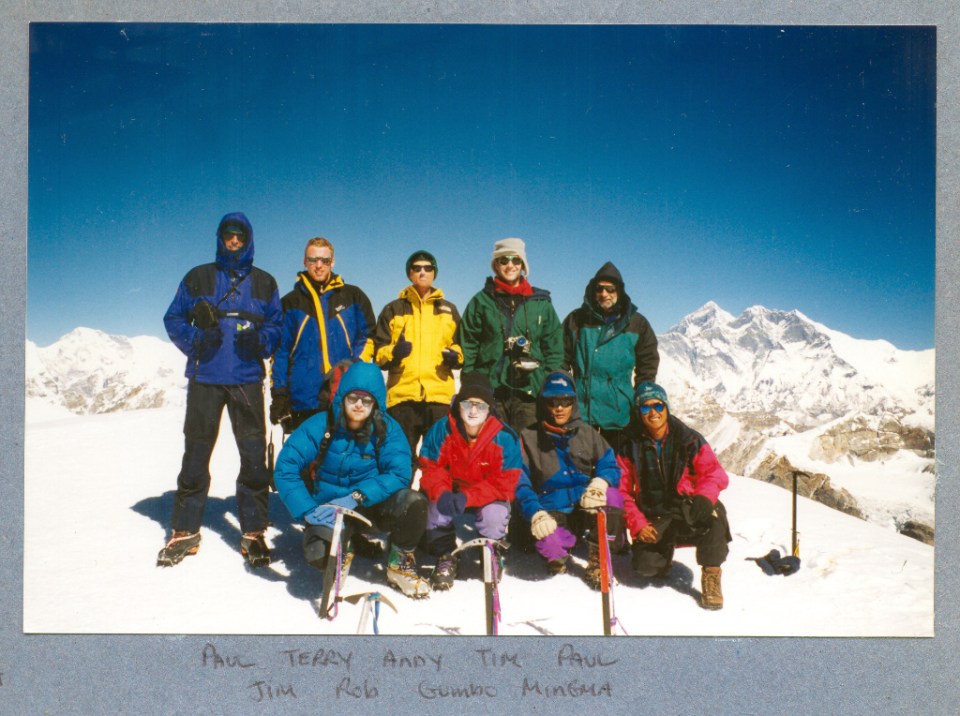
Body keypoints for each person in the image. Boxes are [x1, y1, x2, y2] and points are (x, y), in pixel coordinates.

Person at [158, 212, 282, 568]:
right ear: (219, 238)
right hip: (206, 377)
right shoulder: (198, 277)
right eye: (228, 234)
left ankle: (254, 531)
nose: (233, 241)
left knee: (253, 456)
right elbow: (173, 318)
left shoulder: (265, 282)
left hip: (246, 377)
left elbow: (276, 325)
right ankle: (185, 531)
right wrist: (199, 338)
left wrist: (260, 340)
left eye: (239, 235)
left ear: (248, 238)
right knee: (196, 454)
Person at [273, 361, 431, 598]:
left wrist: (359, 495)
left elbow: (399, 473)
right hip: (331, 510)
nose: (359, 405)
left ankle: (399, 563)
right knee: (318, 555)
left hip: (370, 505)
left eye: (366, 400)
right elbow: (285, 467)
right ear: (342, 399)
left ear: (375, 403)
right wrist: (307, 510)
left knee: (413, 502)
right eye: (353, 398)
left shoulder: (387, 429)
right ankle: (343, 547)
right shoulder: (320, 424)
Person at [618, 382, 731, 610]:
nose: (653, 413)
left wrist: (704, 497)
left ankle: (711, 573)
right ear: (638, 412)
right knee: (645, 567)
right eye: (645, 408)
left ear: (667, 407)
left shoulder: (688, 439)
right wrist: (638, 524)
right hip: (654, 515)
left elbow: (714, 473)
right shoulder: (628, 447)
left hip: (686, 508)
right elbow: (620, 491)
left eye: (658, 406)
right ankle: (663, 552)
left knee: (715, 515)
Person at [515, 371, 625, 588]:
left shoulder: (587, 433)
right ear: (543, 403)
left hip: (585, 505)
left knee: (613, 497)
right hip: (551, 510)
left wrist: (600, 483)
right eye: (552, 401)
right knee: (552, 547)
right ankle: (560, 552)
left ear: (573, 402)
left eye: (565, 401)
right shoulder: (528, 437)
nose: (559, 407)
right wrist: (535, 514)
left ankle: (597, 557)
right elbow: (520, 483)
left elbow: (610, 465)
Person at [417, 372, 523, 590]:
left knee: (495, 517)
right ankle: (445, 555)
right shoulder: (442, 428)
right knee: (434, 508)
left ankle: (490, 552)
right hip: (452, 491)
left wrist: (469, 496)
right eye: (468, 404)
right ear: (459, 405)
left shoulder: (504, 437)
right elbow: (431, 465)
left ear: (489, 409)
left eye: (481, 406)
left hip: (486, 496)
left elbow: (505, 482)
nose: (473, 411)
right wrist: (443, 491)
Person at [269, 237, 376, 432]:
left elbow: (370, 337)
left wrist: (353, 365)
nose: (319, 266)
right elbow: (280, 352)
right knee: (305, 461)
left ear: (332, 262)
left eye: (324, 261)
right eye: (312, 260)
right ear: (304, 262)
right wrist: (279, 394)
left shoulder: (353, 296)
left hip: (346, 397)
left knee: (342, 461)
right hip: (303, 401)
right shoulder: (289, 303)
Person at [459, 237, 564, 432]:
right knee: (494, 452)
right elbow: (469, 345)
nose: (510, 265)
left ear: (523, 265)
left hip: (529, 393)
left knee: (527, 452)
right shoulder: (481, 301)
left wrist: (546, 382)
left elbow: (554, 348)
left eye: (515, 260)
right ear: (496, 265)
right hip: (491, 392)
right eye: (504, 260)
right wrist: (470, 385)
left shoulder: (541, 303)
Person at [373, 250, 463, 468]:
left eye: (428, 268)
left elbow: (461, 347)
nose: (422, 272)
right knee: (400, 460)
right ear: (410, 273)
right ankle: (402, 502)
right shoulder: (393, 309)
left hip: (439, 396)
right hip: (403, 397)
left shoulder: (448, 310)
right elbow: (378, 353)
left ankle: (435, 502)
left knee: (439, 461)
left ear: (434, 273)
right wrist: (394, 353)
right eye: (417, 268)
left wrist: (455, 357)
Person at [562, 261, 659, 453]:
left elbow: (647, 365)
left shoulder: (637, 324)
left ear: (619, 292)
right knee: (580, 473)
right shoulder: (576, 320)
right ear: (592, 291)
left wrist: (641, 398)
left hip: (619, 416)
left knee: (615, 475)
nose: (604, 294)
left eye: (610, 289)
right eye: (599, 289)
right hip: (580, 413)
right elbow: (560, 359)